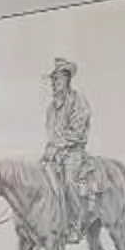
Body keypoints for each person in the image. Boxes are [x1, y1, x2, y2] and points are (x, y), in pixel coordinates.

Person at [41, 59, 96, 231]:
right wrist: (48, 150)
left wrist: (57, 145)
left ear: (66, 79)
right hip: (54, 154)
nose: (53, 83)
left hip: (73, 152)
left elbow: (78, 133)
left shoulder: (78, 102)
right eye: (52, 80)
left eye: (56, 79)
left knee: (69, 184)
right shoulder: (51, 107)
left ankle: (77, 224)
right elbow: (51, 134)